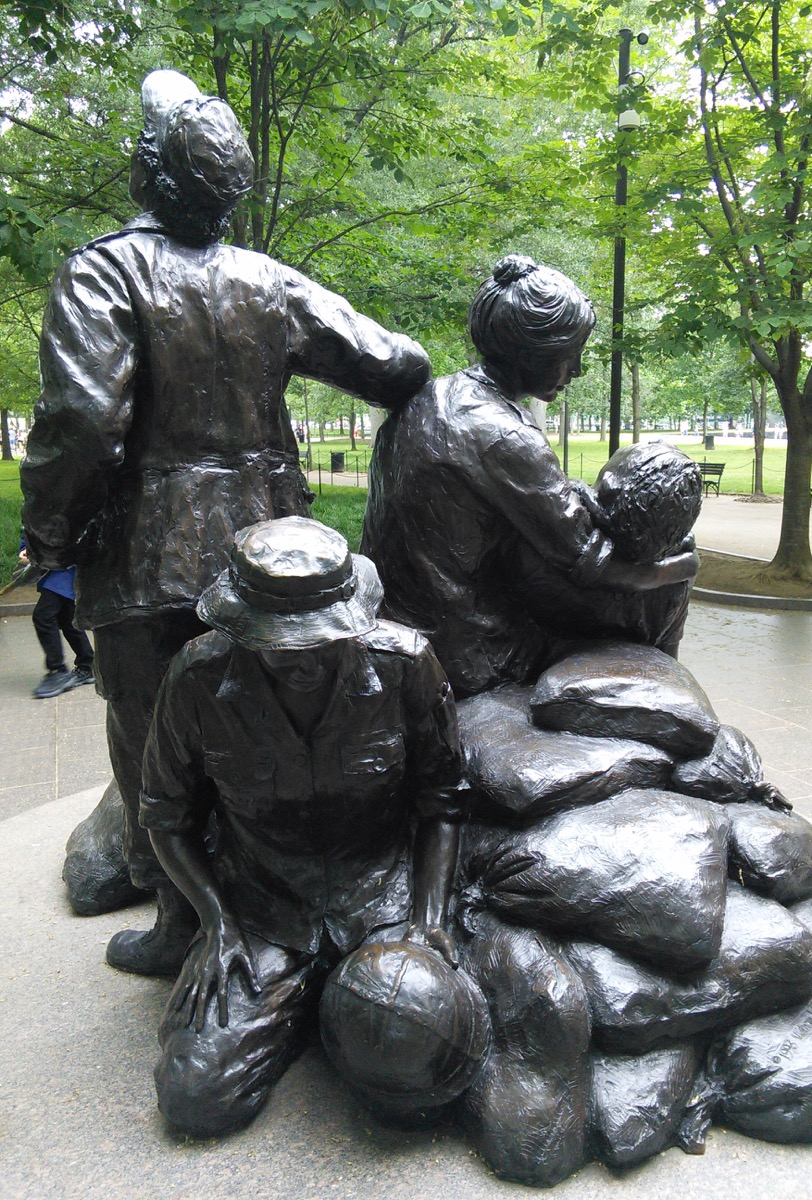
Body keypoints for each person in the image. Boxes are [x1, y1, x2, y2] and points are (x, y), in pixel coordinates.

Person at [21, 70, 431, 976]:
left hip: (147, 559)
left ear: (146, 172)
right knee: (253, 728)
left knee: (149, 741)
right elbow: (399, 364)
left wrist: (49, 536)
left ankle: (180, 921)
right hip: (271, 564)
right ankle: (251, 904)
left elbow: (82, 424)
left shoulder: (102, 272)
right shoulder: (269, 281)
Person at [140, 516, 464, 1137]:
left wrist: (429, 920)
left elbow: (442, 801)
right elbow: (165, 815)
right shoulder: (196, 679)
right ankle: (297, 1010)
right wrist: (214, 920)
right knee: (195, 1095)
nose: (304, 660)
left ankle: (318, 1009)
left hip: (382, 902)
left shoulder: (406, 664)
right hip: (262, 911)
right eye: (279, 643)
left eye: (321, 640)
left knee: (419, 1079)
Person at [361, 255, 699, 697]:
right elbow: (595, 563)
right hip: (467, 647)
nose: (575, 371)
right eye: (568, 356)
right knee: (667, 573)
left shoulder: (428, 398)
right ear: (532, 352)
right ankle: (666, 696)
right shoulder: (506, 436)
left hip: (398, 615)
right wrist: (682, 567)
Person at [19, 540, 94, 699]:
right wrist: (26, 547)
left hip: (68, 563)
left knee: (43, 616)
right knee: (66, 617)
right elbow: (31, 523)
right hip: (55, 565)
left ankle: (57, 671)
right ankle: (88, 664)